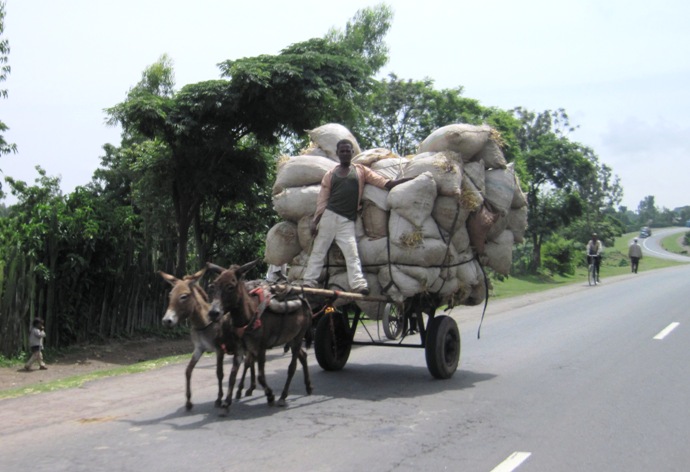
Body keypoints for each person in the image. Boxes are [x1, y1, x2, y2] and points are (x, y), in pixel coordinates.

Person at [302, 139, 411, 295]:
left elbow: (383, 182)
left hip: (347, 220)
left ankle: (358, 284)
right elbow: (323, 199)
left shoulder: (360, 171)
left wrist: (401, 182)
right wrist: (316, 221)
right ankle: (309, 282)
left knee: (352, 252)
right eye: (342, 151)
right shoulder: (330, 174)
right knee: (319, 250)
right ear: (338, 153)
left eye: (348, 151)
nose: (345, 153)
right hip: (329, 216)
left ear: (352, 153)